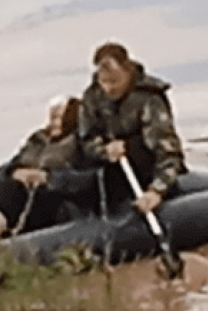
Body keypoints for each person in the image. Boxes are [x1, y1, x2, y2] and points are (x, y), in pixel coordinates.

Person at [77, 42, 187, 216]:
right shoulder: (92, 97)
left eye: (114, 81)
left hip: (145, 166)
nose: (109, 88)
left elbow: (167, 150)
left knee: (136, 148)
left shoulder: (149, 97)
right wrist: (104, 150)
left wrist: (157, 191)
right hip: (110, 169)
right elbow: (86, 139)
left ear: (127, 71)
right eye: (104, 81)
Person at [0, 96, 95, 241]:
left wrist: (46, 177)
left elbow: (87, 179)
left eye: (60, 117)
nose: (54, 123)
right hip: (18, 192)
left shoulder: (79, 143)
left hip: (51, 198)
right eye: (52, 117)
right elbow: (4, 169)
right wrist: (14, 171)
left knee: (10, 189)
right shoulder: (37, 140)